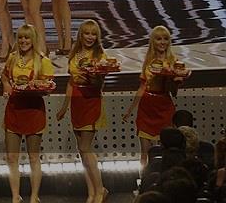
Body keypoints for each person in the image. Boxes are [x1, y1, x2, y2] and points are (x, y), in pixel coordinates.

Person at [57, 20, 109, 203]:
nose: (90, 37)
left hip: (91, 101)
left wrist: (93, 76)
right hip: (76, 103)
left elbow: (100, 84)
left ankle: (100, 190)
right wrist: (64, 107)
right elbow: (71, 82)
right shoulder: (74, 53)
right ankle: (91, 193)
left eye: (93, 34)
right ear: (81, 34)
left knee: (86, 148)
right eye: (87, 33)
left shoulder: (100, 55)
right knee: (81, 150)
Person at [2, 24, 55, 203]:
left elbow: (48, 87)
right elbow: (4, 76)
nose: (23, 41)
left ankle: (34, 197)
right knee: (11, 157)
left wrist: (37, 87)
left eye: (27, 37)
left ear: (33, 40)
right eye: (21, 37)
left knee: (33, 157)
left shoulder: (43, 61)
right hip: (14, 110)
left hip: (33, 111)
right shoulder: (12, 58)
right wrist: (6, 85)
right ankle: (15, 196)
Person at [124, 26, 186, 169]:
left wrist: (174, 81)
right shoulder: (148, 60)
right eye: (159, 39)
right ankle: (145, 179)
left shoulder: (174, 61)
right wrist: (130, 110)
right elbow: (142, 87)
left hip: (164, 107)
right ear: (153, 41)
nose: (162, 42)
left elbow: (174, 93)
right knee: (145, 153)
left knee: (165, 152)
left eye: (165, 39)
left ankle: (164, 178)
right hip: (146, 107)